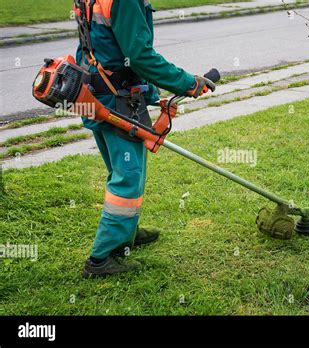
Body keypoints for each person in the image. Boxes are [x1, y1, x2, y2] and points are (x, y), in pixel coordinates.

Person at [74, 0, 215, 278]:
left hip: (95, 93)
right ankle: (101, 259)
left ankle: (125, 233)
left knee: (118, 170)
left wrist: (148, 93)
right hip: (116, 101)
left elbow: (93, 48)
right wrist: (188, 83)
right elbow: (139, 55)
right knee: (128, 177)